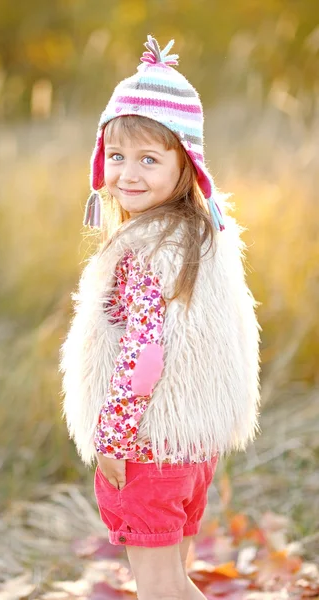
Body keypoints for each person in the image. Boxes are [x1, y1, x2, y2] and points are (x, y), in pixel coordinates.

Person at [59, 35, 261, 600]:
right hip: (191, 444)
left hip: (148, 445)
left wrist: (113, 437)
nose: (128, 173)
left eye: (150, 159)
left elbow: (145, 353)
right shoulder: (200, 235)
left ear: (186, 165)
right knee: (175, 579)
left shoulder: (144, 252)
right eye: (117, 156)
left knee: (160, 588)